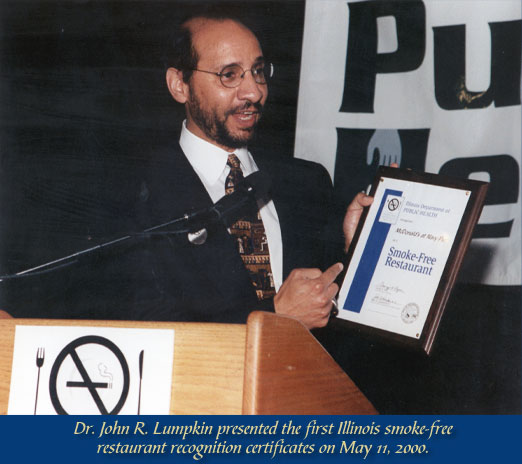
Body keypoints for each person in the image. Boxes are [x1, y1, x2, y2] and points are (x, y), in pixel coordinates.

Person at [2, 9, 373, 328]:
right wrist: (273, 317)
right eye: (230, 75)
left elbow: (330, 309)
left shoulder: (305, 182)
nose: (253, 92)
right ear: (179, 85)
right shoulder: (130, 193)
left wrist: (352, 246)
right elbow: (140, 325)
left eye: (258, 72)